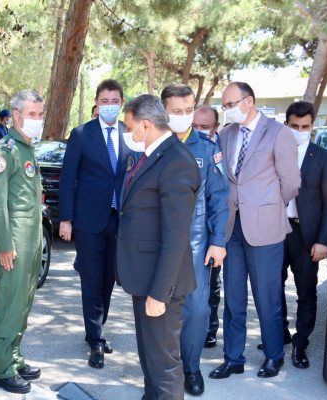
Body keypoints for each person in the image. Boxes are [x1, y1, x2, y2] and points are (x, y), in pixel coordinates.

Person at [210, 82, 300, 380]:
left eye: (230, 104)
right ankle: (233, 358)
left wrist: (268, 207)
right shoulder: (226, 134)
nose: (227, 110)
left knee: (267, 298)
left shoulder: (278, 133)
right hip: (232, 228)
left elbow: (291, 183)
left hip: (265, 229)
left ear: (248, 101)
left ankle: (274, 356)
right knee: (233, 299)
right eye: (224, 106)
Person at [117, 94, 200, 400]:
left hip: (160, 283)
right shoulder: (153, 155)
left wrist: (159, 293)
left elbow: (175, 236)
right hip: (144, 277)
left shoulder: (176, 161)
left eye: (129, 127)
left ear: (146, 125)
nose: (127, 134)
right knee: (151, 359)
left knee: (164, 366)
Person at [161, 84, 229, 396]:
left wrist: (218, 241)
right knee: (158, 308)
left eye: (188, 110)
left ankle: (190, 366)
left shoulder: (207, 148)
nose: (184, 116)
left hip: (197, 242)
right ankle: (163, 367)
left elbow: (219, 198)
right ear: (164, 111)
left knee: (197, 310)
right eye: (177, 111)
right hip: (158, 241)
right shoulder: (151, 144)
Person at [59, 79, 131, 368]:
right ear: (97, 103)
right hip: (88, 220)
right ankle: (95, 339)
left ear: (121, 103)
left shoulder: (130, 133)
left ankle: (98, 327)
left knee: (108, 281)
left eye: (115, 101)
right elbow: (68, 179)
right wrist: (66, 219)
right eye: (104, 101)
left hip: (119, 219)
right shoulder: (81, 134)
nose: (109, 106)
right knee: (91, 280)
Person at [0, 90, 44, 394]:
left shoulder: (27, 148)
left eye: (40, 114)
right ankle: (0, 366)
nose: (37, 120)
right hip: (16, 241)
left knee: (24, 301)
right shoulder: (3, 151)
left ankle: (14, 356)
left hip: (32, 239)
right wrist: (4, 244)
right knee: (10, 302)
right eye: (31, 114)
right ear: (16, 115)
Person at [278, 101, 327, 368]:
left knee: (306, 291)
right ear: (286, 125)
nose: (300, 131)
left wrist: (323, 241)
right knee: (272, 288)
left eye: (305, 126)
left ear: (313, 126)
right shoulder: (275, 152)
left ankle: (300, 344)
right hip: (276, 231)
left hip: (307, 234)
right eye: (294, 126)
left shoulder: (323, 157)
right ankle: (280, 333)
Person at [192, 105, 224, 348]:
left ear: (216, 127)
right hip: (189, 231)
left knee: (211, 284)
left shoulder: (217, 150)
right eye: (195, 126)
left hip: (211, 230)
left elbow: (219, 197)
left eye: (205, 127)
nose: (199, 130)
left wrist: (218, 238)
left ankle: (209, 328)